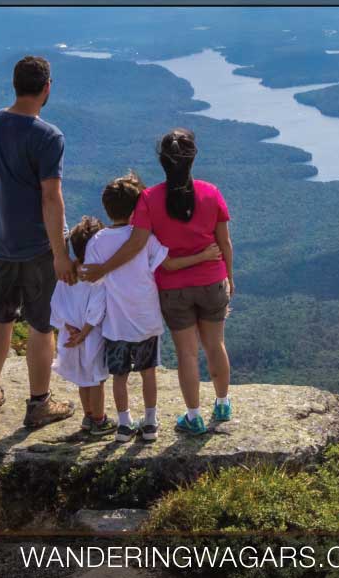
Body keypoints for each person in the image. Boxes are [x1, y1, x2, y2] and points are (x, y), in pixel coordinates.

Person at [80, 130, 233, 436]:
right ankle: (222, 403)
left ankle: (194, 416)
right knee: (215, 344)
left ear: (162, 161)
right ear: (193, 158)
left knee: (187, 354)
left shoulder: (149, 199)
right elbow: (225, 242)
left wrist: (103, 269)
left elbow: (136, 244)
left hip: (174, 289)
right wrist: (230, 276)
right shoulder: (211, 192)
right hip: (213, 279)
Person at [0, 55, 76, 429]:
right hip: (37, 245)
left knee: (0, 317)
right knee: (40, 324)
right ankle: (38, 404)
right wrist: (60, 253)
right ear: (47, 88)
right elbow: (51, 198)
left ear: (15, 84)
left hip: (0, 240)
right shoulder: (48, 136)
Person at [50, 216, 114, 436]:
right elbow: (97, 310)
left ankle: (87, 417)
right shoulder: (98, 277)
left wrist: (69, 328)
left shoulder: (67, 275)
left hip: (69, 335)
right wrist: (84, 334)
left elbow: (56, 304)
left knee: (82, 379)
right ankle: (99, 419)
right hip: (91, 336)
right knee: (96, 379)